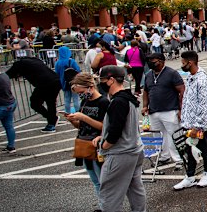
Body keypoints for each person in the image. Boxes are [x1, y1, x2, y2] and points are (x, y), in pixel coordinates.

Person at [92, 66, 146, 211]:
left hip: (121, 153)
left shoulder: (118, 102)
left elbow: (116, 130)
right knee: (135, 189)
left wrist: (104, 145)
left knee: (110, 193)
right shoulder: (129, 98)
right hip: (134, 149)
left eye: (101, 80)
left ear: (111, 80)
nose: (100, 83)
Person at [68, 73, 109, 209]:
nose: (80, 95)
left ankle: (107, 207)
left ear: (90, 87)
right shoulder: (84, 102)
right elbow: (81, 125)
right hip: (84, 144)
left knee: (103, 181)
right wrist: (74, 121)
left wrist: (84, 118)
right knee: (96, 181)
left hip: (98, 146)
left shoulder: (103, 102)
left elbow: (105, 127)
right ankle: (103, 206)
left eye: (81, 92)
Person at [174, 51, 207, 190]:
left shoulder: (201, 80)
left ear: (190, 63)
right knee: (190, 148)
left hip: (198, 124)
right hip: (188, 122)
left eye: (183, 63)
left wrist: (197, 126)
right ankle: (190, 176)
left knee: (203, 148)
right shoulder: (191, 77)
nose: (182, 65)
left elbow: (204, 105)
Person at [142, 52, 185, 169]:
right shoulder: (149, 75)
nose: (151, 63)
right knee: (158, 136)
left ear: (161, 61)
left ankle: (179, 159)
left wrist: (181, 109)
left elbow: (182, 90)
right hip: (154, 111)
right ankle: (163, 156)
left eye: (153, 61)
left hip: (170, 110)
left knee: (174, 135)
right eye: (149, 61)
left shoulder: (172, 73)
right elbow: (146, 91)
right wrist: (145, 106)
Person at [6, 57, 61, 133]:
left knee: (35, 103)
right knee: (50, 102)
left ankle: (52, 121)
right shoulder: (34, 60)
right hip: (55, 80)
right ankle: (52, 121)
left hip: (45, 83)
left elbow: (6, 75)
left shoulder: (19, 64)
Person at [54, 46, 81, 114]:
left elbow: (56, 73)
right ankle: (78, 112)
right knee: (76, 99)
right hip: (73, 82)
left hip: (64, 82)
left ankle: (67, 112)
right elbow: (78, 70)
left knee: (66, 99)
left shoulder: (57, 63)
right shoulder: (71, 61)